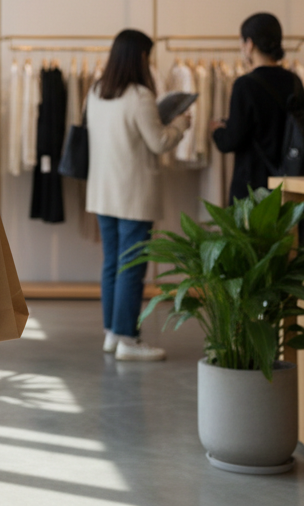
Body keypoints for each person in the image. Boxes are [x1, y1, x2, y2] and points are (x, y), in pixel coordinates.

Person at [85, 29, 189, 361]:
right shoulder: (140, 95)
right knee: (131, 267)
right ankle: (128, 339)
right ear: (141, 57)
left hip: (103, 191)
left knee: (112, 264)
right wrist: (181, 125)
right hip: (133, 193)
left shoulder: (97, 91)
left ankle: (113, 334)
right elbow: (159, 142)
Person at [211, 12, 304, 202]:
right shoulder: (294, 81)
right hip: (289, 181)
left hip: (253, 184)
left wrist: (217, 131)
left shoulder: (245, 85)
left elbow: (233, 140)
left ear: (250, 44)